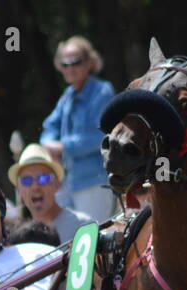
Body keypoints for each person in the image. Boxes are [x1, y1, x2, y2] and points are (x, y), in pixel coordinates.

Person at [41, 36, 117, 222]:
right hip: (69, 182)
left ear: (89, 62)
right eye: (65, 63)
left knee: (92, 237)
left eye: (76, 62)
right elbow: (49, 127)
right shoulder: (67, 96)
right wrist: (48, 146)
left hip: (95, 180)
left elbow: (100, 135)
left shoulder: (102, 91)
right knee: (65, 237)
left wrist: (62, 147)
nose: (70, 68)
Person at [8, 143, 92, 242]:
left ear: (57, 184)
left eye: (43, 178)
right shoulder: (19, 239)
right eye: (26, 180)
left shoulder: (83, 227)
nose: (35, 186)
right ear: (19, 190)